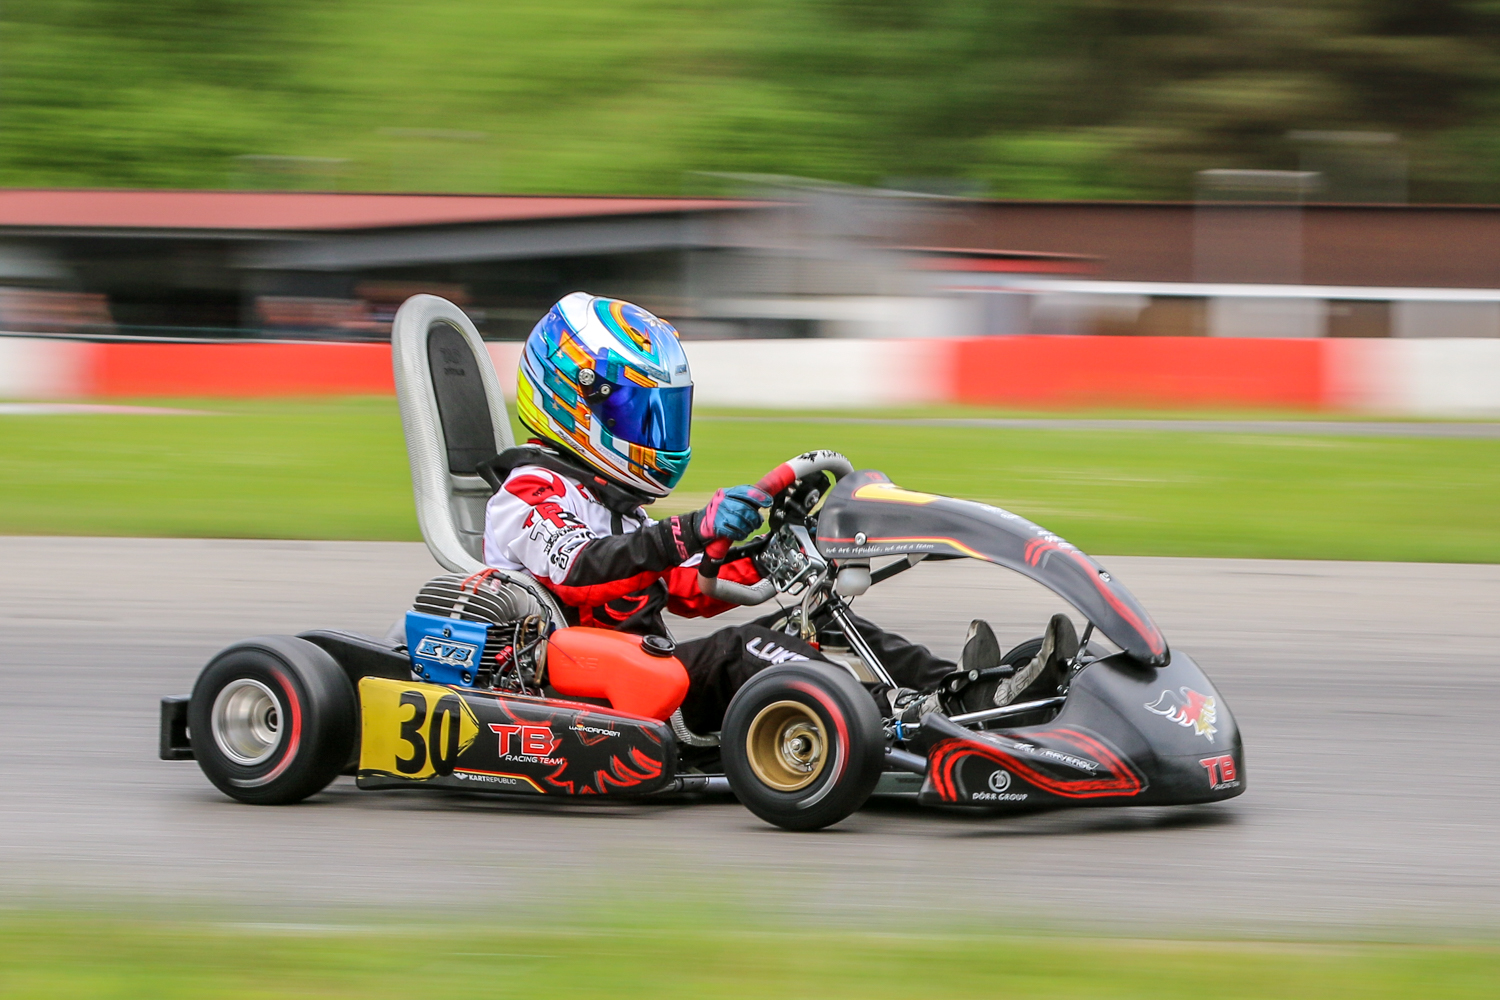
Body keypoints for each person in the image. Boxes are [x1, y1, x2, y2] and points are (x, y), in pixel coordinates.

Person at [482, 292, 1075, 734]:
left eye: (660, 413)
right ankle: (899, 722)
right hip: (586, 690)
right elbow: (582, 568)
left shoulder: (615, 505)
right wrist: (691, 528)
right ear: (571, 397)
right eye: (639, 412)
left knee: (821, 626)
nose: (654, 431)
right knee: (744, 650)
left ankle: (971, 695)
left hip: (643, 673)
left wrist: (768, 552)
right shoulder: (531, 490)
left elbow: (689, 588)